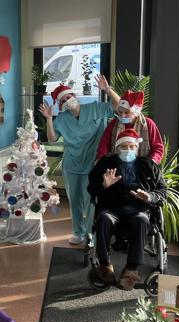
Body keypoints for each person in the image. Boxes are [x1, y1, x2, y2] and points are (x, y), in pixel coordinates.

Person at [39, 77, 121, 245]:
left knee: (91, 200)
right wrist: (49, 119)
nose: (67, 101)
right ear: (61, 105)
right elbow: (53, 139)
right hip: (72, 165)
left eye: (68, 97)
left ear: (74, 95)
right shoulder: (61, 119)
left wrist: (107, 89)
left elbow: (119, 106)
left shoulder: (95, 108)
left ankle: (91, 232)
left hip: (93, 164)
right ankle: (78, 232)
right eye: (63, 100)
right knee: (75, 200)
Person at [87, 129, 166, 290]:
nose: (128, 150)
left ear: (137, 148)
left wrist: (149, 197)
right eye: (124, 146)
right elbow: (91, 189)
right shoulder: (105, 164)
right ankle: (104, 265)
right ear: (116, 148)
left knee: (142, 220)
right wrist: (104, 185)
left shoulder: (148, 166)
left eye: (131, 146)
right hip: (111, 209)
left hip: (138, 210)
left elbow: (163, 191)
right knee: (103, 218)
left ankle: (131, 269)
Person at [96, 90, 164, 163]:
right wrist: (101, 160)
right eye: (120, 112)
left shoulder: (148, 124)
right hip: (117, 166)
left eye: (126, 112)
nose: (122, 115)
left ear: (136, 112)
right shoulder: (113, 124)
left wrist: (152, 162)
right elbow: (104, 144)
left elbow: (158, 147)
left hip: (143, 168)